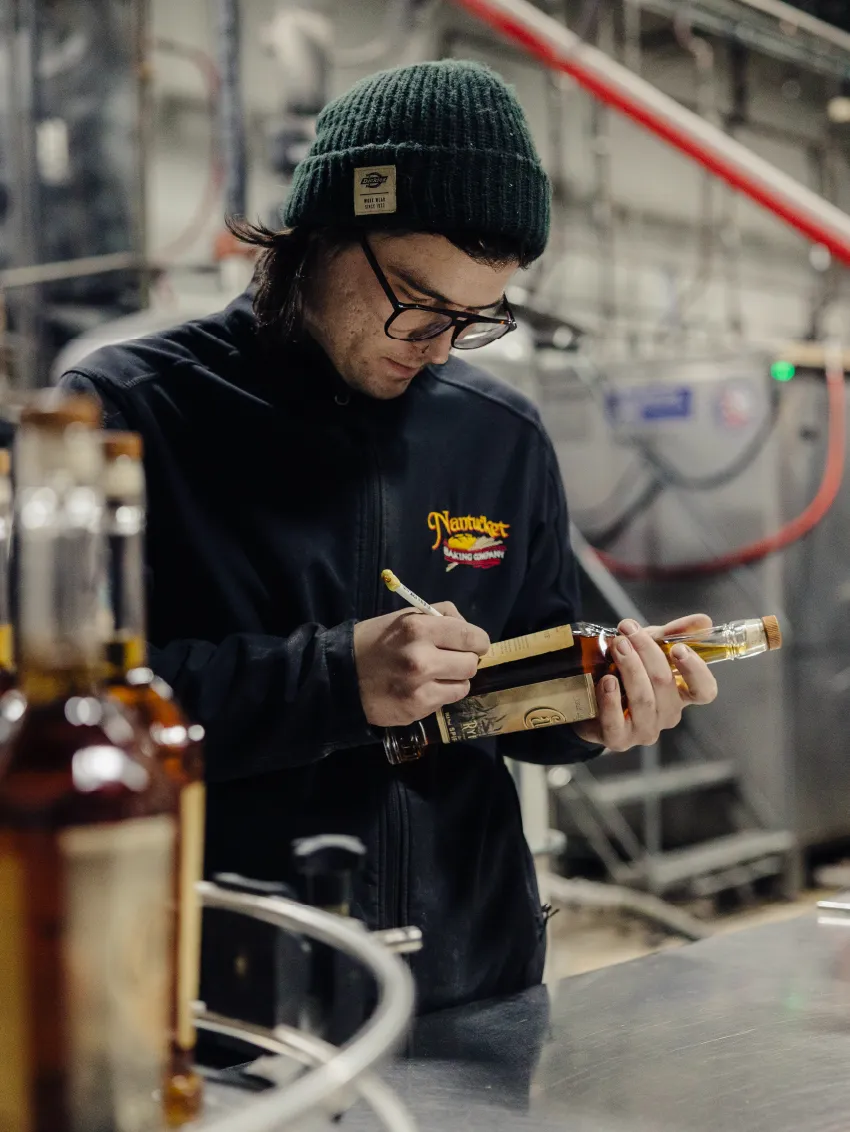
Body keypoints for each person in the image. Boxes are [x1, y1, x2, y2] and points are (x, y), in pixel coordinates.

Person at [61, 59, 717, 1013]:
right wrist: (331, 681)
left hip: (471, 982)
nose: (441, 345)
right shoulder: (124, 415)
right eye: (418, 300)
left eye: (476, 317)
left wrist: (585, 708)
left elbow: (511, 682)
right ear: (322, 232)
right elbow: (56, 715)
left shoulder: (501, 437)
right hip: (222, 998)